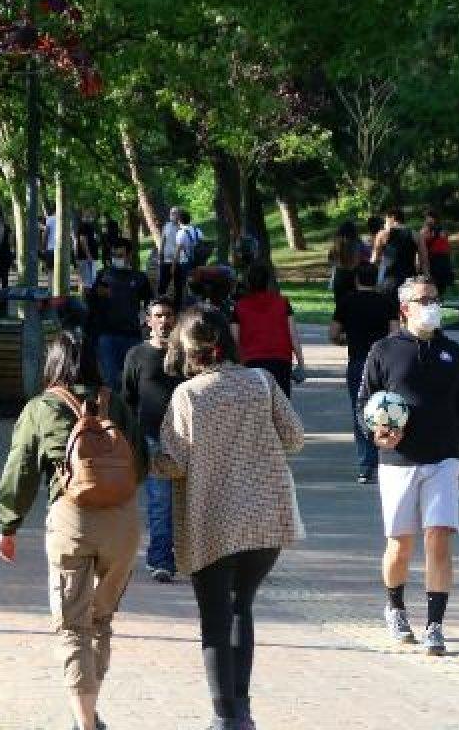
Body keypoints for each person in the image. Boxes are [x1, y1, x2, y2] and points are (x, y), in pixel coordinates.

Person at [154, 306, 305, 730]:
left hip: (212, 520)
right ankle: (243, 713)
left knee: (215, 620)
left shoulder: (189, 396)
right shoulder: (262, 382)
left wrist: (145, 460)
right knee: (242, 608)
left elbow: (176, 462)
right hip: (265, 521)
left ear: (189, 350)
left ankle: (224, 717)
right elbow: (294, 438)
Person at [0, 331, 148, 730]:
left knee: (72, 626)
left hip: (72, 520)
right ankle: (90, 709)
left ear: (53, 363)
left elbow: (20, 472)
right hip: (123, 524)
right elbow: (142, 462)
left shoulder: (41, 408)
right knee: (100, 621)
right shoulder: (115, 402)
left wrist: (8, 524)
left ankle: (85, 722)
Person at [357, 275, 459, 656]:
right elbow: (364, 405)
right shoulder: (384, 350)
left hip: (443, 458)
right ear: (406, 308)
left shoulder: (452, 351)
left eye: (435, 299)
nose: (432, 305)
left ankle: (435, 624)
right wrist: (376, 435)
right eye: (424, 300)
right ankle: (395, 606)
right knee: (400, 545)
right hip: (398, 461)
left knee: (438, 537)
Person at [122, 297, 182, 584]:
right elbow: (128, 399)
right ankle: (160, 559)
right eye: (158, 316)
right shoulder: (136, 355)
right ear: (148, 321)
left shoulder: (184, 355)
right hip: (152, 439)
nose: (164, 321)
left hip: (185, 439)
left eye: (169, 316)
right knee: (160, 501)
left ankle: (192, 556)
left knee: (188, 501)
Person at [329, 262, 399, 484]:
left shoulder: (346, 302)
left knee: (359, 410)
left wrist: (344, 340)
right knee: (385, 409)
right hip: (384, 363)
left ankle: (365, 465)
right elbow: (395, 333)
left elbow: (333, 333)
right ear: (375, 279)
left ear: (357, 279)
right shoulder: (387, 302)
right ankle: (385, 458)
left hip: (358, 361)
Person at [230, 262, 305, 398]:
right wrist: (301, 364)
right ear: (268, 281)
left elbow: (234, 340)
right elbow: (293, 336)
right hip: (281, 362)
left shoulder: (239, 307)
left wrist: (235, 365)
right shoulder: (282, 303)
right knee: (281, 409)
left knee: (255, 407)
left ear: (248, 282)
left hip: (251, 363)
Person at [89, 237, 152, 392]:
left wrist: (145, 321)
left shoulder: (139, 278)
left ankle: (130, 413)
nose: (117, 259)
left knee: (133, 380)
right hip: (107, 336)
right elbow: (92, 303)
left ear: (129, 255)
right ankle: (113, 412)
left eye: (121, 255)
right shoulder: (103, 276)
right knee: (111, 379)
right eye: (114, 256)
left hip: (132, 336)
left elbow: (150, 303)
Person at [370, 207, 422, 293]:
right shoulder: (415, 235)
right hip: (409, 278)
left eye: (386, 221)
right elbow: (424, 260)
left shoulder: (382, 234)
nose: (384, 224)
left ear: (392, 218)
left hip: (388, 279)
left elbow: (374, 259)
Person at [327, 220, 365, 305]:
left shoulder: (336, 244)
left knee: (340, 304)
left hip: (339, 276)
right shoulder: (358, 244)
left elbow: (330, 260)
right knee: (355, 303)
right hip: (354, 275)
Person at [420, 211, 455, 296]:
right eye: (426, 219)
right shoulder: (426, 231)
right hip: (432, 263)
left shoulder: (441, 231)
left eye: (429, 218)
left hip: (440, 263)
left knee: (438, 291)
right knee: (431, 292)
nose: (427, 220)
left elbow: (446, 248)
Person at [172, 209, 200, 308]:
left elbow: (177, 251)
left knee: (182, 287)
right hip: (197, 261)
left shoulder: (181, 233)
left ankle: (183, 307)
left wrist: (173, 266)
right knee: (195, 284)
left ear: (179, 220)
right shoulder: (197, 230)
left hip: (184, 263)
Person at [154, 205, 182, 296]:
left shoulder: (183, 227)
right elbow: (162, 241)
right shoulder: (167, 226)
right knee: (162, 283)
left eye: (174, 213)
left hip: (179, 261)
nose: (172, 215)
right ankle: (160, 302)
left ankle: (178, 306)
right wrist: (160, 256)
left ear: (179, 215)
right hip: (166, 260)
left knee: (178, 285)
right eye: (171, 213)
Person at [76, 208, 101, 290]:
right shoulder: (83, 226)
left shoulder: (91, 226)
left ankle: (90, 300)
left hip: (91, 257)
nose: (92, 216)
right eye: (90, 214)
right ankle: (86, 300)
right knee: (87, 283)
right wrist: (88, 255)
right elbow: (82, 240)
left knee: (92, 281)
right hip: (85, 258)